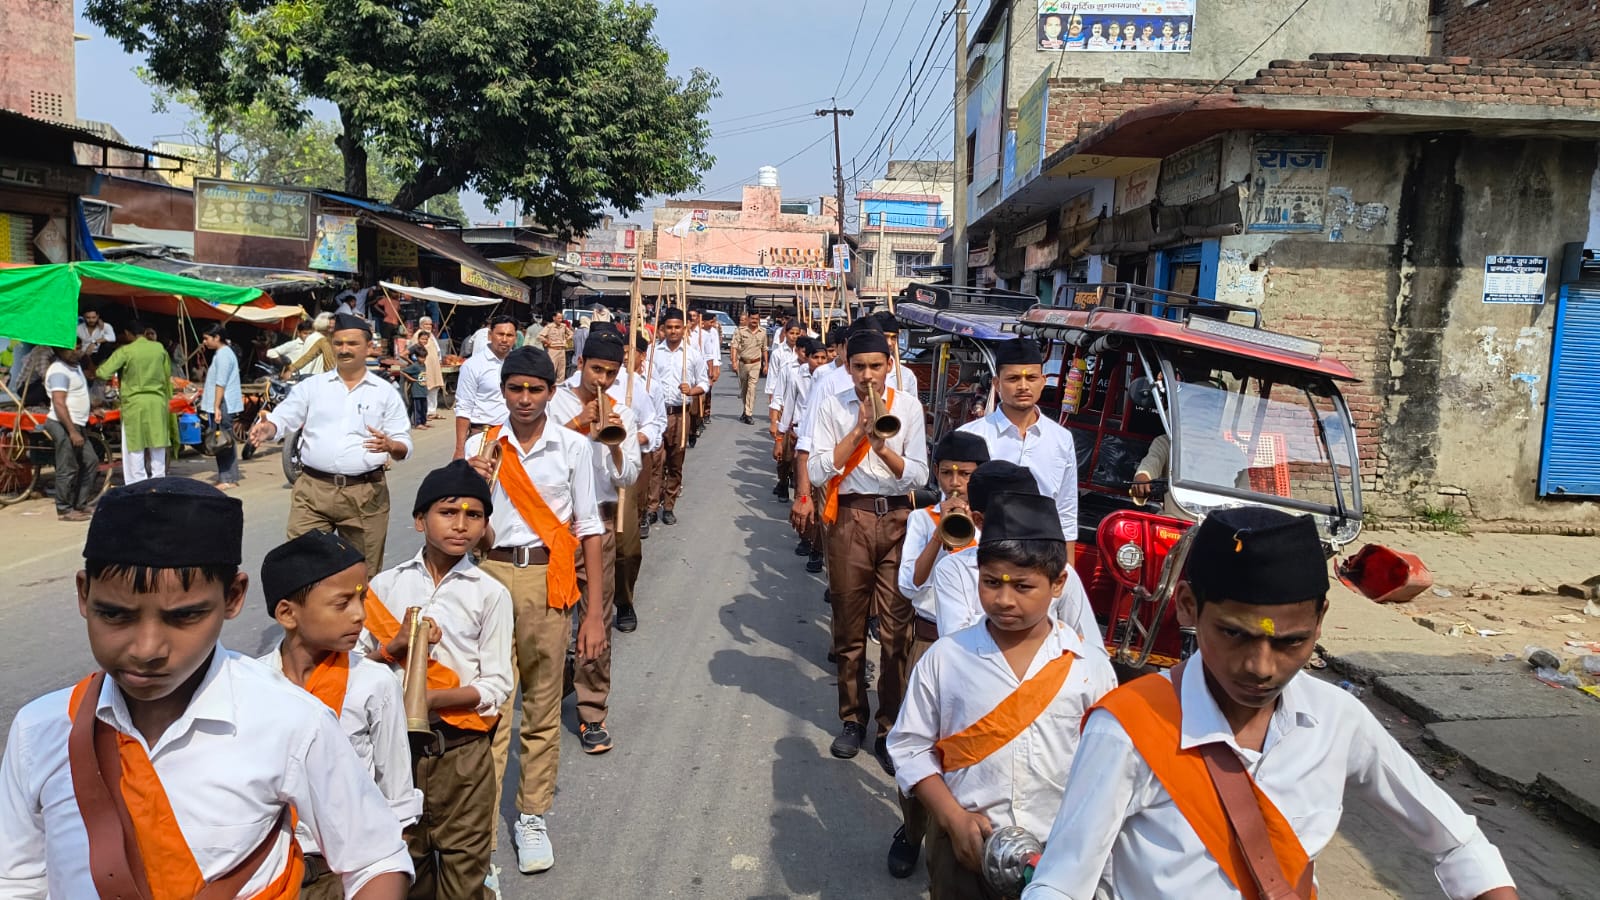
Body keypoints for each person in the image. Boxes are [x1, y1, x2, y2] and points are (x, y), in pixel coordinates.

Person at [1024, 507, 1519, 900]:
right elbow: (1063, 882)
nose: (1260, 667)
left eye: (1290, 643)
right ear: (1189, 606)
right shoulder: (1128, 728)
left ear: (1321, 620)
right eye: (1234, 635)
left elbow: (1458, 841)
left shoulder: (1338, 721)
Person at [0, 478, 412, 898]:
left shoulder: (290, 722)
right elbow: (17, 881)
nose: (146, 649)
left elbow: (374, 860)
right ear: (84, 595)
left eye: (184, 618)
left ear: (233, 597)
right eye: (116, 616)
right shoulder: (41, 730)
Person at [891, 492, 1119, 900]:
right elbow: (909, 746)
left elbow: (1108, 771)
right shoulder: (947, 658)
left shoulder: (1089, 669)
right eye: (991, 582)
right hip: (963, 850)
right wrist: (952, 817)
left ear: (1059, 583)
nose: (1004, 599)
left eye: (1024, 586)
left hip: (1057, 858)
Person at [464, 346, 608, 877]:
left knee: (543, 706)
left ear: (552, 392)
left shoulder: (573, 447)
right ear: (502, 390)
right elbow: (458, 524)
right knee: (490, 706)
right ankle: (478, 828)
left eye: (535, 389)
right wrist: (473, 484)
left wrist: (593, 615)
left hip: (550, 578)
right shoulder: (484, 445)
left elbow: (589, 528)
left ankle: (531, 813)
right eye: (514, 388)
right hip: (488, 577)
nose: (524, 399)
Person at [364, 461, 514, 898]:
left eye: (474, 515)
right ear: (419, 520)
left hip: (462, 754)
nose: (461, 525)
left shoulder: (489, 593)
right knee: (406, 866)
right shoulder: (385, 585)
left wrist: (432, 699)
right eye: (448, 512)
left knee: (464, 871)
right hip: (394, 752)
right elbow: (354, 669)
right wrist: (392, 648)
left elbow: (497, 685)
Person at [258, 530, 424, 900]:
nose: (360, 615)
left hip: (343, 870)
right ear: (287, 613)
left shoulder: (373, 682)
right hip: (272, 868)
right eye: (342, 603)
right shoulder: (255, 685)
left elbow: (395, 788)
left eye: (361, 598)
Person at [807, 327, 929, 769]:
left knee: (898, 631)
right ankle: (853, 718)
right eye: (859, 367)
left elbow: (918, 476)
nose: (867, 376)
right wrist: (858, 434)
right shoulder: (831, 406)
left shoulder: (910, 407)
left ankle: (890, 725)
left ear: (889, 366)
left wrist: (884, 449)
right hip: (849, 519)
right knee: (849, 624)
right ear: (848, 367)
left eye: (876, 366)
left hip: (898, 519)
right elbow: (819, 470)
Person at [885, 430, 990, 880]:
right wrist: (939, 533)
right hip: (929, 644)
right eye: (946, 473)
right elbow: (910, 586)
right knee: (920, 744)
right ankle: (911, 830)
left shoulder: (997, 522)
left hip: (986, 647)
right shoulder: (921, 518)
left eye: (965, 475)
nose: (954, 483)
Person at [249, 314, 413, 574]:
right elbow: (285, 417)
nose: (344, 350)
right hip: (313, 491)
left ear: (368, 347)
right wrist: (269, 428)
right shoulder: (312, 387)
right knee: (303, 568)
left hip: (365, 494)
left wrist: (391, 445)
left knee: (362, 574)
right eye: (338, 344)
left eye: (352, 344)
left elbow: (404, 444)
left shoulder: (385, 393)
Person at [547, 327, 641, 753]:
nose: (601, 380)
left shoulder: (622, 408)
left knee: (594, 619)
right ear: (581, 363)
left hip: (598, 524)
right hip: (552, 522)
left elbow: (628, 477)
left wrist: (616, 441)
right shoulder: (553, 401)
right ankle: (548, 689)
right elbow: (541, 455)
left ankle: (591, 711)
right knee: (548, 615)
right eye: (596, 369)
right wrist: (577, 425)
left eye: (611, 372)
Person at [931, 461, 1103, 646]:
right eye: (992, 583)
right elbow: (955, 640)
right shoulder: (953, 570)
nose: (1005, 601)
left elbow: (1091, 646)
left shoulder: (1058, 569)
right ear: (979, 520)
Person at [959, 339, 1079, 556]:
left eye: (1031, 378)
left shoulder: (1061, 439)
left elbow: (1065, 513)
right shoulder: (970, 436)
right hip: (979, 556)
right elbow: (954, 501)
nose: (1023, 386)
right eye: (1013, 378)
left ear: (1043, 381)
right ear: (996, 383)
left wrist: (1067, 574)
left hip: (1039, 559)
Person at [646, 309, 708, 526]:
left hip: (680, 414)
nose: (673, 331)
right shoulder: (653, 351)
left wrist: (691, 391)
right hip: (657, 413)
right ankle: (652, 506)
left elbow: (704, 383)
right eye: (669, 327)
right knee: (655, 461)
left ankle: (669, 504)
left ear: (684, 329)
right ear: (663, 329)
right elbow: (646, 381)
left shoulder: (692, 353)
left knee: (675, 461)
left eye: (677, 327)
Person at [773, 336, 831, 569]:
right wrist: (779, 435)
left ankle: (818, 548)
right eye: (815, 357)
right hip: (801, 438)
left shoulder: (832, 380)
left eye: (823, 357)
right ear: (806, 358)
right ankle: (806, 536)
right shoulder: (797, 376)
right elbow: (788, 405)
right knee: (804, 492)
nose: (819, 361)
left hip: (826, 446)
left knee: (824, 502)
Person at [98, 319, 175, 485]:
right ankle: (158, 481)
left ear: (127, 333)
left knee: (135, 445)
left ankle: (137, 483)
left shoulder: (126, 351)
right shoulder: (159, 348)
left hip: (134, 404)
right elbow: (167, 376)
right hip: (157, 401)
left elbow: (103, 372)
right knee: (158, 443)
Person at [43, 343, 97, 520]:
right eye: (72, 348)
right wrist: (72, 432)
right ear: (60, 350)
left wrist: (91, 411)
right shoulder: (59, 370)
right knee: (68, 467)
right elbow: (59, 403)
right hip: (62, 424)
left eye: (79, 346)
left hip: (77, 423)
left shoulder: (75, 367)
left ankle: (80, 503)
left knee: (90, 462)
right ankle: (64, 509)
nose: (76, 351)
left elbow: (79, 394)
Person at [454, 316, 518, 458]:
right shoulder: (473, 365)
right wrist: (459, 449)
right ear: (490, 335)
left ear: (515, 338)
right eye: (500, 334)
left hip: (513, 436)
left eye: (509, 335)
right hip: (482, 437)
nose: (504, 339)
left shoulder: (519, 364)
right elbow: (464, 407)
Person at [766, 318, 806, 498]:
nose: (795, 337)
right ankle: (782, 481)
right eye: (792, 333)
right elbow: (775, 387)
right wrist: (774, 417)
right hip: (785, 411)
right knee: (786, 454)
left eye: (798, 333)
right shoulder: (786, 364)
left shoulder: (818, 370)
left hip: (804, 417)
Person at [200, 325, 242, 490]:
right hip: (222, 402)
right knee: (224, 440)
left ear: (217, 337)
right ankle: (227, 476)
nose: (205, 342)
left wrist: (216, 406)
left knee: (223, 441)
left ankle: (228, 478)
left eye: (207, 338)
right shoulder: (222, 354)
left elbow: (221, 383)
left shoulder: (224, 355)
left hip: (223, 403)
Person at [730, 311, 768, 424]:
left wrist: (766, 364)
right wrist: (734, 362)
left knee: (752, 388)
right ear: (748, 319)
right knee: (744, 389)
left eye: (757, 319)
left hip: (756, 364)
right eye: (752, 319)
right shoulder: (740, 331)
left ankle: (748, 414)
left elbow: (764, 348)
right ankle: (745, 409)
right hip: (743, 363)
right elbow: (734, 347)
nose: (754, 321)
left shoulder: (763, 332)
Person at [693, 311, 722, 441]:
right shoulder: (689, 334)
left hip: (704, 369)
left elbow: (713, 352)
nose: (713, 324)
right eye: (711, 322)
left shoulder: (710, 333)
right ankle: (695, 420)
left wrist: (714, 368)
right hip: (691, 370)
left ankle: (703, 416)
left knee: (705, 394)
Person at [416, 317, 446, 418]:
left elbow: (437, 350)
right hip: (426, 366)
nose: (429, 326)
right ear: (421, 325)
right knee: (427, 387)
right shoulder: (419, 335)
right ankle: (427, 411)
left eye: (430, 324)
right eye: (426, 324)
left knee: (434, 388)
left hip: (435, 366)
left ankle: (432, 411)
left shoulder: (430, 335)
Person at [400, 346, 429, 428]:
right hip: (416, 391)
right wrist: (410, 378)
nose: (422, 359)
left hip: (423, 390)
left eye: (424, 358)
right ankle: (418, 423)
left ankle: (423, 422)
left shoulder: (424, 365)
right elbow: (403, 371)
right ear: (417, 357)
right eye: (421, 357)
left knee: (424, 408)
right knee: (417, 408)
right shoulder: (415, 366)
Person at [538, 317, 573, 382]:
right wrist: (547, 342)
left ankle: (559, 386)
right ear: (554, 318)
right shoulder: (549, 327)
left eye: (561, 318)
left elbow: (571, 333)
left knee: (562, 370)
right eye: (559, 318)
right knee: (552, 368)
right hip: (553, 349)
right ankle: (550, 383)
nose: (560, 320)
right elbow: (540, 336)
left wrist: (566, 339)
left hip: (562, 349)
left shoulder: (563, 326)